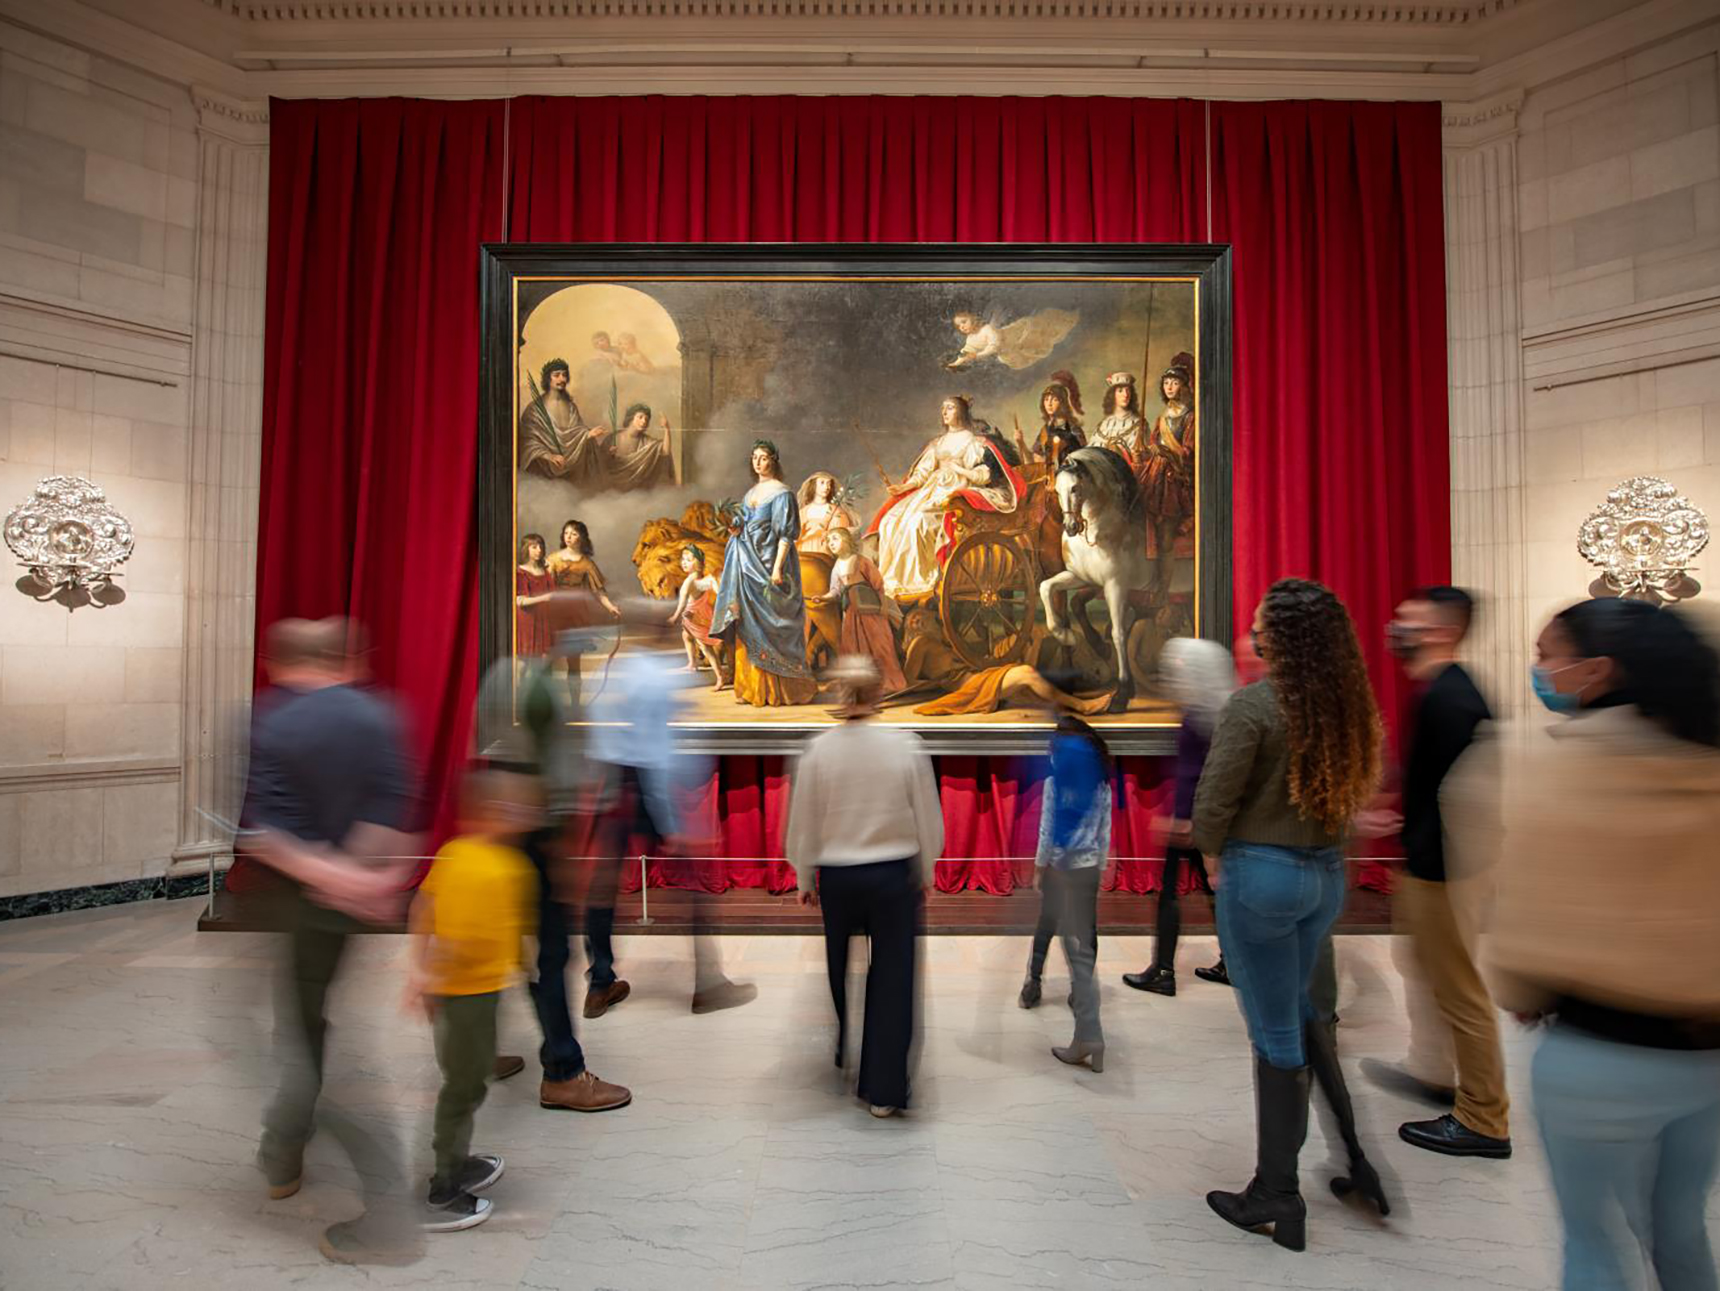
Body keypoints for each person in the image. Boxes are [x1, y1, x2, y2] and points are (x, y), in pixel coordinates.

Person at [1452, 599, 1720, 1291]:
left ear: (1596, 669)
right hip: (1707, 1056)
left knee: (1594, 1241)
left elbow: (1517, 938)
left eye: (1548, 654)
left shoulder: (1549, 766)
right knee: (1681, 1227)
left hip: (1598, 1053)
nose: (1538, 667)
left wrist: (1521, 985)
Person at [1193, 578, 1389, 1250]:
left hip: (1263, 874)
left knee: (1277, 1035)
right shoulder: (1348, 705)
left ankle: (1276, 1191)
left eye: (1259, 626)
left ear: (1278, 638)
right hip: (1325, 873)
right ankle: (1356, 1157)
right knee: (1306, 1016)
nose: (1253, 635)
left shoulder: (1255, 705)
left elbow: (1214, 800)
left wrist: (1211, 855)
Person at [243, 617, 423, 1265]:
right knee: (315, 1026)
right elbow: (394, 806)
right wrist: (370, 879)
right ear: (341, 659)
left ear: (277, 661)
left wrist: (331, 879)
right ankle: (284, 1144)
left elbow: (263, 831)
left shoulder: (272, 720)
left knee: (305, 1035)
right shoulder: (377, 714)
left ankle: (310, 1164)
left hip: (302, 901)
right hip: (353, 901)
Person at [1365, 587, 1510, 1160]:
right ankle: (1433, 1070)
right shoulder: (1440, 691)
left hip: (1447, 870)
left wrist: (1414, 843)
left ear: (1444, 631)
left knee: (1459, 989)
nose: (1396, 630)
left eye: (1410, 622)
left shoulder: (1452, 698)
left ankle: (1484, 1118)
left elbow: (1466, 801)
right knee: (1421, 968)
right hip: (1430, 863)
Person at [472, 636, 634, 1115]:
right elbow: (541, 773)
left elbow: (491, 747)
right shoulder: (538, 683)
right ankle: (563, 1073)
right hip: (532, 836)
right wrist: (561, 848)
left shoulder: (512, 673)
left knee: (508, 947)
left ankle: (476, 1049)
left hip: (509, 832)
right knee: (550, 952)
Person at [786, 656, 944, 1117]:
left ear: (838, 692)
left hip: (838, 876)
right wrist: (927, 869)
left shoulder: (819, 750)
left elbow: (804, 819)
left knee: (838, 966)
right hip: (893, 873)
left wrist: (803, 874)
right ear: (879, 692)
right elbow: (927, 815)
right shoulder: (904, 746)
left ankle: (843, 1045)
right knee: (893, 977)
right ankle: (883, 1087)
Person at [590, 598, 758, 1014]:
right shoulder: (659, 678)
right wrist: (679, 821)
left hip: (615, 785)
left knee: (602, 887)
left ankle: (600, 982)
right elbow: (667, 750)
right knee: (692, 887)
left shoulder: (611, 670)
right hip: (651, 786)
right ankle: (709, 984)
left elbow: (600, 736)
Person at [404, 771, 539, 1232]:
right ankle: (444, 1187)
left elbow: (503, 921)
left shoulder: (500, 862)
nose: (526, 816)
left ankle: (456, 1160)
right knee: (462, 1088)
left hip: (484, 992)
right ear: (487, 813)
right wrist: (427, 976)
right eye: (515, 808)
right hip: (462, 997)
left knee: (474, 1078)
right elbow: (440, 922)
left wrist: (522, 960)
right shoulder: (472, 863)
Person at [1123, 636, 1234, 996]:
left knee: (1170, 891)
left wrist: (1183, 817)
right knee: (1213, 891)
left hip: (1190, 820)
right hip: (1207, 817)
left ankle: (1163, 970)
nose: (1172, 675)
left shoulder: (1197, 716)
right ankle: (1233, 960)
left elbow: (1193, 773)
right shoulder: (1220, 713)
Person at [1019, 710, 1112, 1074]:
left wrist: (1039, 868)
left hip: (1061, 867)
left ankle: (1034, 982)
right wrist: (1101, 864)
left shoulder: (1055, 783)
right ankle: (1080, 998)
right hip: (1087, 867)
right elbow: (1104, 829)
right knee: (1086, 935)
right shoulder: (1100, 782)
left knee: (1047, 923)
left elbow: (1047, 830)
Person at [868, 396, 1023, 599]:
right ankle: (891, 580)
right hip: (930, 491)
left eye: (950, 408)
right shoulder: (938, 443)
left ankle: (919, 581)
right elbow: (923, 473)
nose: (944, 412)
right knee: (890, 521)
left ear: (961, 412)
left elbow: (983, 476)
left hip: (955, 492)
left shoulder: (974, 442)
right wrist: (904, 487)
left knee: (918, 523)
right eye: (943, 408)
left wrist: (959, 470)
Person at [711, 440, 818, 706]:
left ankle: (782, 690)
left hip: (770, 565)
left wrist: (777, 568)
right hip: (747, 565)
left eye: (764, 457)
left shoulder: (782, 493)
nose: (758, 462)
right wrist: (736, 529)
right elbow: (746, 525)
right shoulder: (750, 493)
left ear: (774, 460)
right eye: (754, 457)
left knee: (776, 624)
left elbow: (785, 535)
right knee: (747, 623)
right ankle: (752, 689)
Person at [813, 527, 906, 694]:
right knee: (853, 647)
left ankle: (889, 683)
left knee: (879, 645)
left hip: (870, 611)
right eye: (829, 541)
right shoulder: (837, 566)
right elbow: (835, 591)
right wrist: (823, 598)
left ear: (847, 540)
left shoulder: (861, 561)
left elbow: (878, 585)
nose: (831, 543)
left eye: (835, 538)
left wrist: (883, 607)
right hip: (851, 613)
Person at [1137, 354, 1196, 596]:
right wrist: (1144, 453)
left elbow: (1189, 452)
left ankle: (1163, 589)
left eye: (1174, 383)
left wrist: (1164, 451)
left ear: (1183, 386)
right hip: (1155, 474)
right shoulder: (1162, 418)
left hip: (1177, 479)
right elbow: (1152, 447)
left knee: (1165, 535)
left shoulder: (1191, 417)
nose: (1169, 387)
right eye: (1166, 383)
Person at [519, 358, 612, 486]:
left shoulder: (571, 407)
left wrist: (587, 435)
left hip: (572, 475)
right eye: (556, 375)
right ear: (547, 379)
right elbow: (528, 441)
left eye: (564, 375)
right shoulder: (535, 409)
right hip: (543, 471)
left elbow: (574, 432)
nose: (562, 379)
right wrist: (548, 456)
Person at [668, 544, 726, 687]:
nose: (684, 562)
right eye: (683, 559)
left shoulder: (690, 581)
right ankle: (692, 663)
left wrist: (675, 616)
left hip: (694, 616)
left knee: (705, 647)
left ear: (698, 564)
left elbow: (682, 602)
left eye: (688, 560)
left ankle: (720, 676)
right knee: (686, 636)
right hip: (693, 613)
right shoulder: (702, 578)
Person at [1017, 371, 1085, 470]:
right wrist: (1021, 442)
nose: (1049, 404)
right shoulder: (1045, 430)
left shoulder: (1073, 428)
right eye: (1046, 399)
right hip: (1050, 475)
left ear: (1062, 402)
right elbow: (1032, 461)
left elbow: (1084, 457)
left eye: (1054, 399)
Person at [608, 402, 675, 491]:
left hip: (637, 493)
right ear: (631, 418)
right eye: (640, 417)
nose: (644, 421)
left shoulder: (646, 441)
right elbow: (600, 463)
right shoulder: (613, 438)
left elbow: (665, 451)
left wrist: (667, 429)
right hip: (612, 492)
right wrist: (608, 455)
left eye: (647, 419)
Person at [797, 472, 860, 554]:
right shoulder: (802, 512)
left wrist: (826, 534)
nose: (826, 487)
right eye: (822, 483)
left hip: (826, 553)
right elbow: (795, 535)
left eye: (828, 484)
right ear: (813, 485)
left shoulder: (836, 512)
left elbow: (841, 536)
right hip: (804, 551)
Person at [1091, 371, 1145, 463]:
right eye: (1120, 391)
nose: (1125, 395)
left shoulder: (1139, 424)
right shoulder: (1103, 424)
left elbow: (1144, 458)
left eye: (1128, 390)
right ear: (1113, 395)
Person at [515, 533, 555, 658]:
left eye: (541, 546)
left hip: (544, 619)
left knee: (545, 659)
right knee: (529, 658)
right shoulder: (520, 572)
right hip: (528, 619)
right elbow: (520, 601)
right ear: (525, 549)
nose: (539, 550)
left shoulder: (545, 571)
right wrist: (544, 598)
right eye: (534, 547)